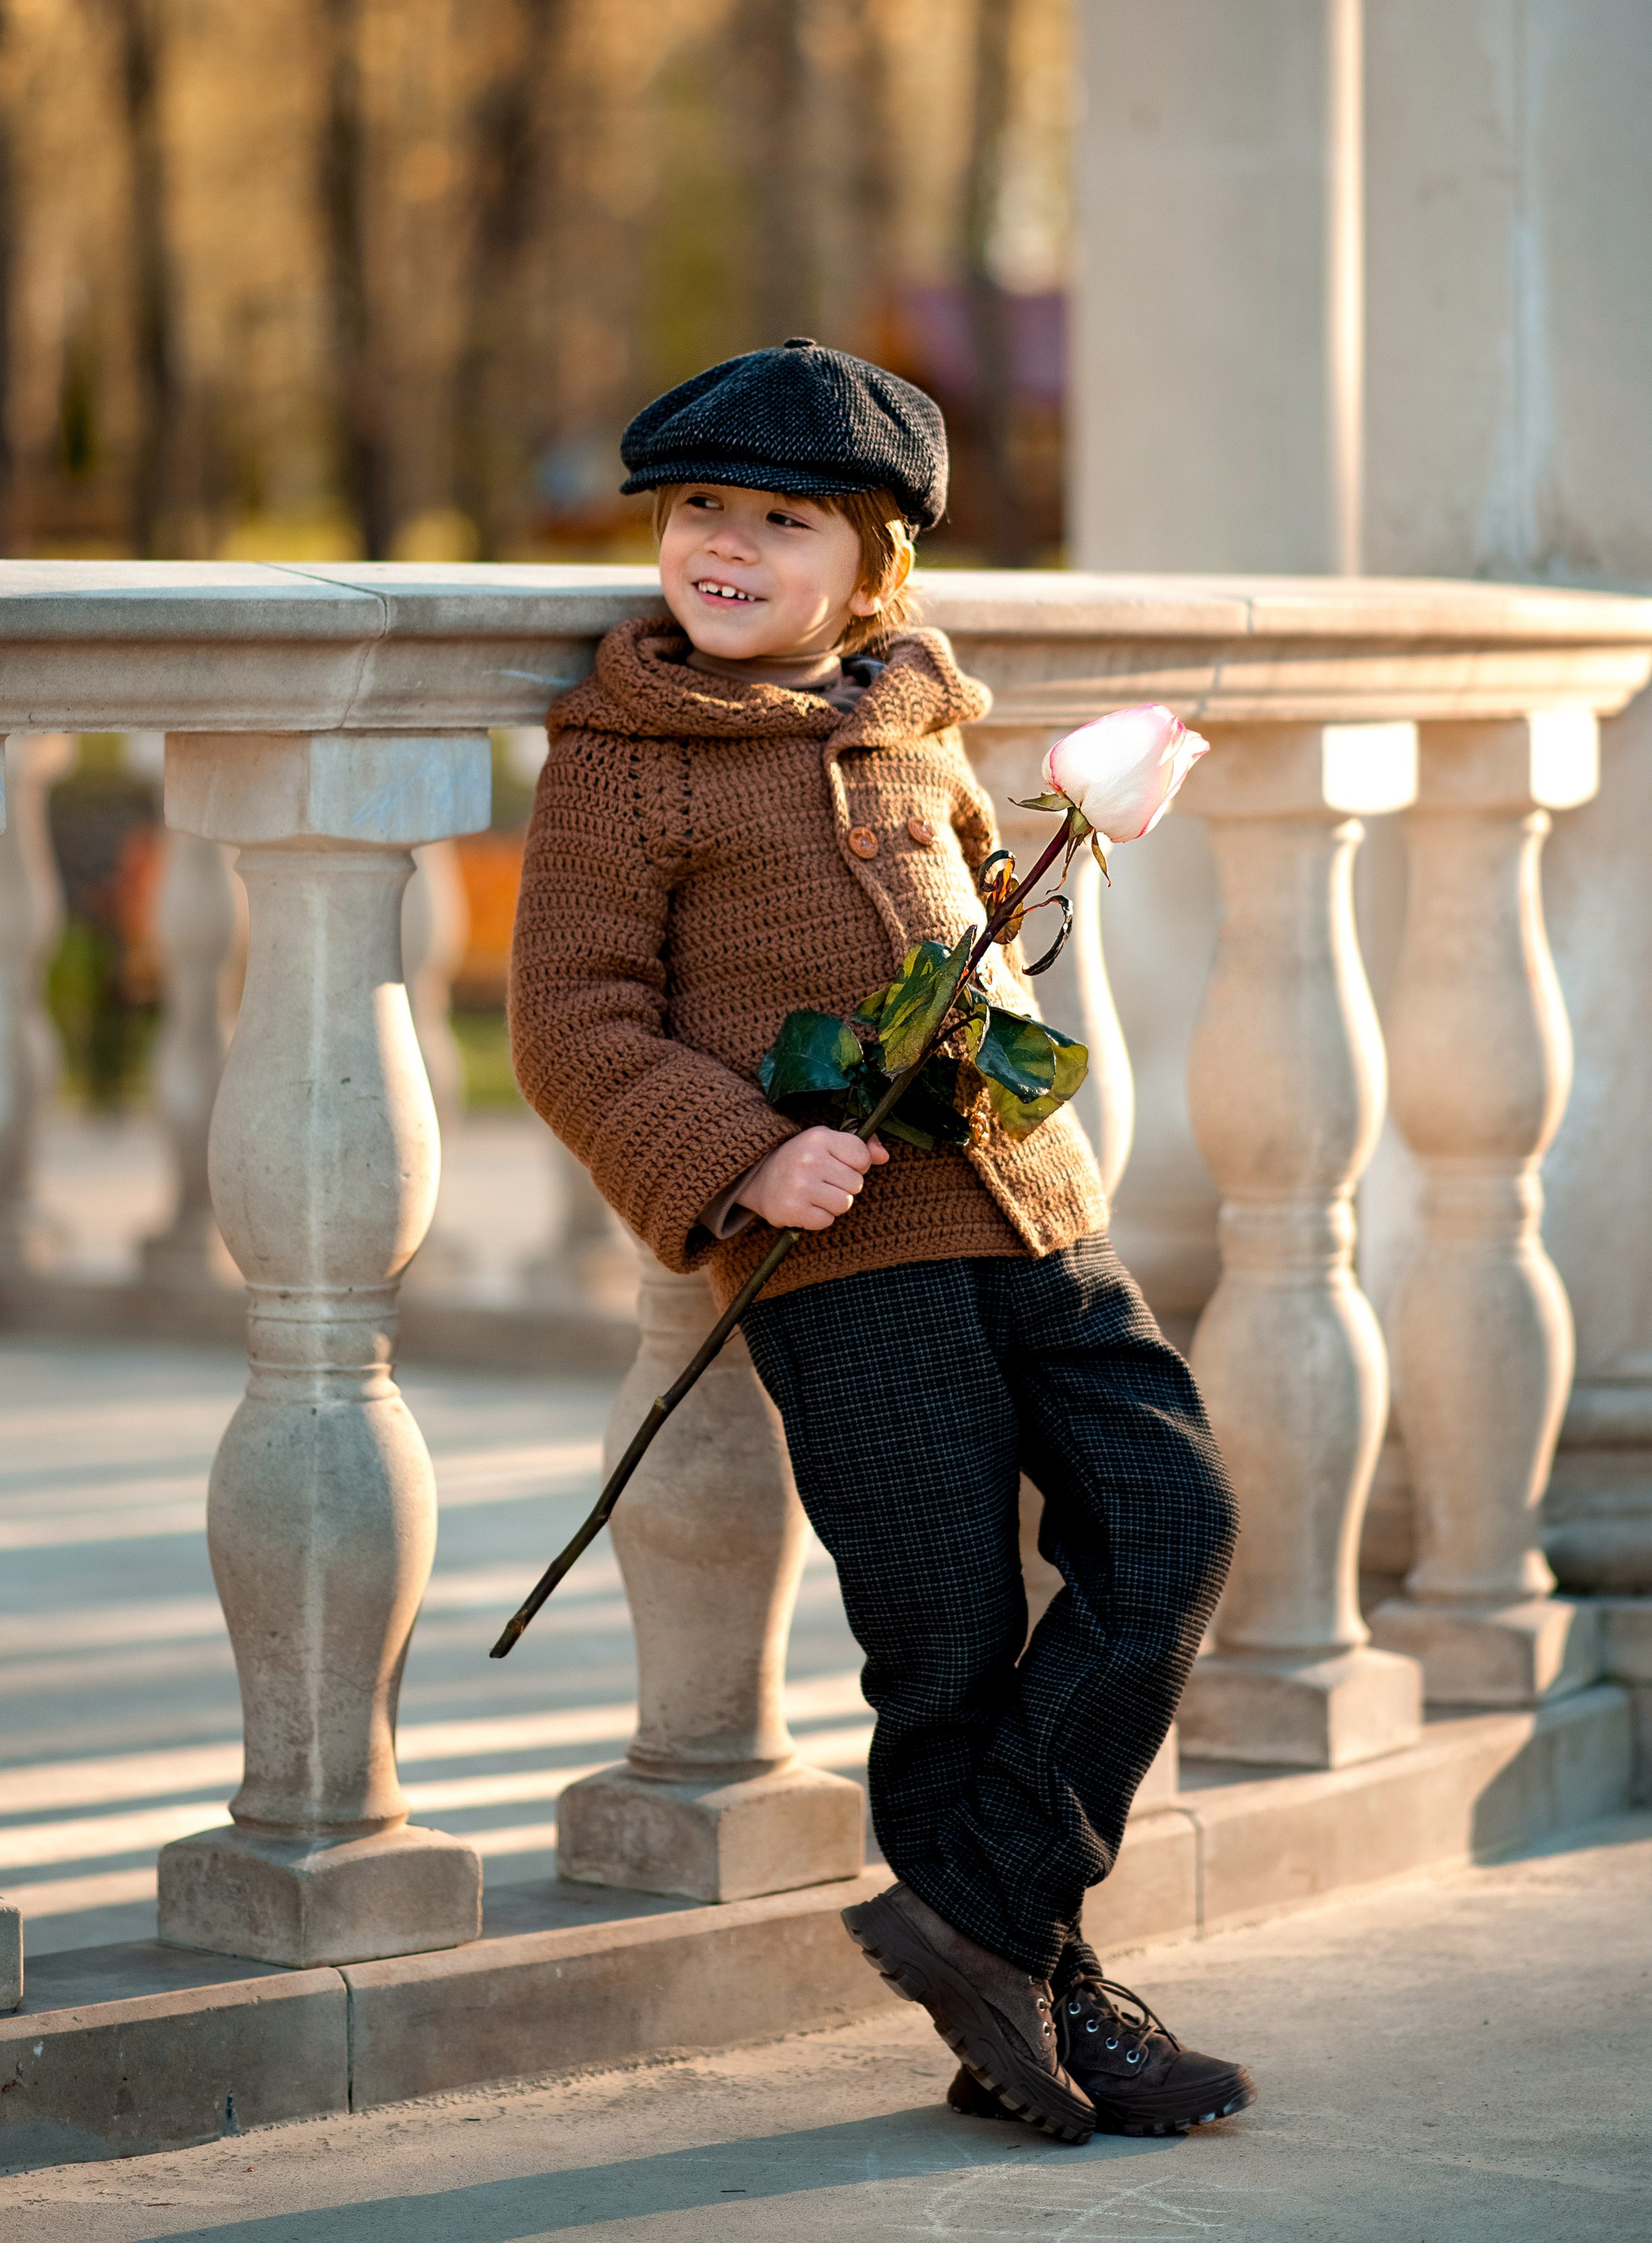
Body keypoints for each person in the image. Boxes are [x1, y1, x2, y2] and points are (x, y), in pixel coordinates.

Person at [508, 337, 1252, 2145]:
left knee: (1171, 1523)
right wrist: (748, 1158)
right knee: (941, 1629)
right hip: (849, 1263)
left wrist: (998, 1014)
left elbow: (972, 949)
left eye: (783, 520)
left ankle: (979, 1916)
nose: (728, 548)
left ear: (875, 567)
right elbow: (571, 1023)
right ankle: (1042, 1995)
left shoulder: (919, 725)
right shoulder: (626, 760)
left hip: (1032, 1217)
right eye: (702, 510)